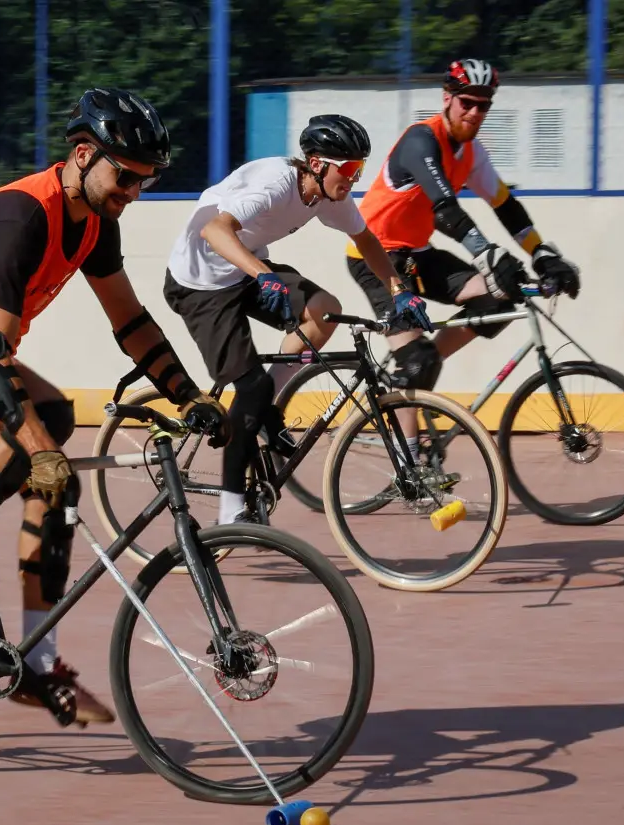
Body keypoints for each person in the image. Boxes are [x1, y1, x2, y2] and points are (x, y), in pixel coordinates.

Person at [0, 87, 229, 728]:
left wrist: (189, 394)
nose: (135, 192)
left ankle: (38, 660)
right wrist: (38, 451)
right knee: (42, 430)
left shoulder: (95, 224)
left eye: (147, 181)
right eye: (127, 176)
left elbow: (132, 321)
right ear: (84, 155)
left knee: (54, 477)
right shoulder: (20, 218)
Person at [163, 114, 434, 527]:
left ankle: (264, 406)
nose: (355, 178)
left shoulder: (330, 197)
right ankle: (231, 509)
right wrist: (263, 274)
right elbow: (215, 232)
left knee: (323, 311)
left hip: (245, 270)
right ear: (318, 164)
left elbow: (365, 240)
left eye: (360, 168)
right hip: (199, 284)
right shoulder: (275, 184)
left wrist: (399, 290)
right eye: (348, 169)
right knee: (248, 387)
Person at [345, 58, 581, 394]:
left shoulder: (472, 153)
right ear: (447, 98)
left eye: (482, 106)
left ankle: (414, 370)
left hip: (417, 254)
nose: (473, 112)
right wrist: (487, 254)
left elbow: (506, 207)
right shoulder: (421, 140)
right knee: (419, 362)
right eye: (466, 102)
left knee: (498, 298)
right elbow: (445, 210)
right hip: (374, 255)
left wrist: (541, 254)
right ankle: (409, 433)